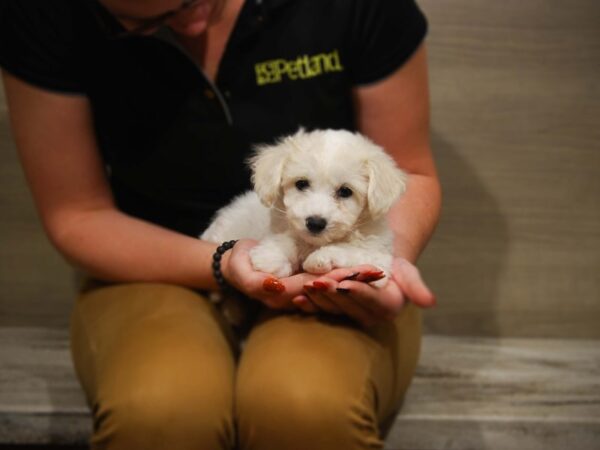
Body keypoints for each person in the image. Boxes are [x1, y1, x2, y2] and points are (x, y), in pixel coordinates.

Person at [0, 0, 441, 448]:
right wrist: (223, 262)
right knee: (161, 411)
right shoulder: (42, 15)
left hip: (334, 271)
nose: (190, 24)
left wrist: (380, 260)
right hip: (146, 259)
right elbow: (79, 216)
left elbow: (409, 174)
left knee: (303, 407)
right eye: (141, 23)